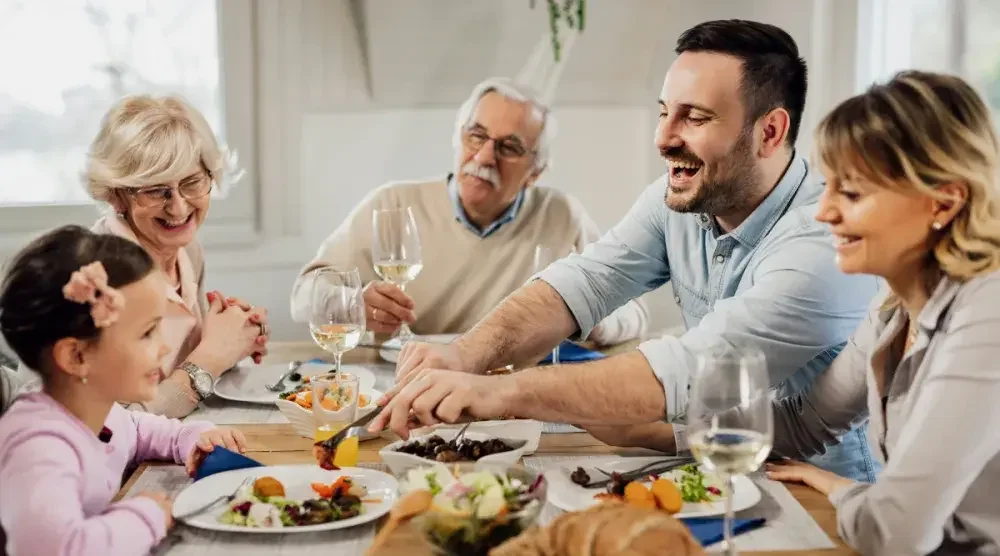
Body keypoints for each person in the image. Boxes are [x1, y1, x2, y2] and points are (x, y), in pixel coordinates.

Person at [372, 19, 882, 482]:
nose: (663, 138)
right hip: (712, 468)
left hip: (822, 497)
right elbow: (584, 282)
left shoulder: (823, 242)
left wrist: (500, 391)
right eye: (664, 112)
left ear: (768, 132)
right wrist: (461, 354)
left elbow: (689, 370)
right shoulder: (682, 197)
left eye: (695, 118)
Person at [753, 71, 1000, 554]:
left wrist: (844, 490)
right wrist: (659, 423)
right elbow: (805, 422)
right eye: (827, 188)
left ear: (944, 202)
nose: (823, 212)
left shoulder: (989, 313)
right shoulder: (893, 309)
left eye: (851, 193)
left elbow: (894, 533)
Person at [290, 77, 647, 345]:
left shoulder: (562, 216)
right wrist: (351, 304)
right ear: (457, 138)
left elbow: (635, 313)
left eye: (509, 147)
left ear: (535, 172)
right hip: (402, 386)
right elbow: (302, 297)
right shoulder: (392, 205)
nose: (484, 157)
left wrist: (590, 317)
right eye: (476, 136)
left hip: (510, 391)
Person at [0, 226, 247, 555]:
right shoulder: (39, 446)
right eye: (147, 333)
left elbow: (138, 430)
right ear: (76, 356)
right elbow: (57, 549)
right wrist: (147, 516)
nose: (163, 349)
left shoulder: (98, 413)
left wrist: (189, 440)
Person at [81, 94, 269, 418]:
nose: (178, 207)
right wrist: (211, 357)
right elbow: (119, 426)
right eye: (156, 190)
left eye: (192, 182)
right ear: (116, 196)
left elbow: (171, 374)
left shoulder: (188, 250)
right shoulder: (99, 278)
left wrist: (231, 340)